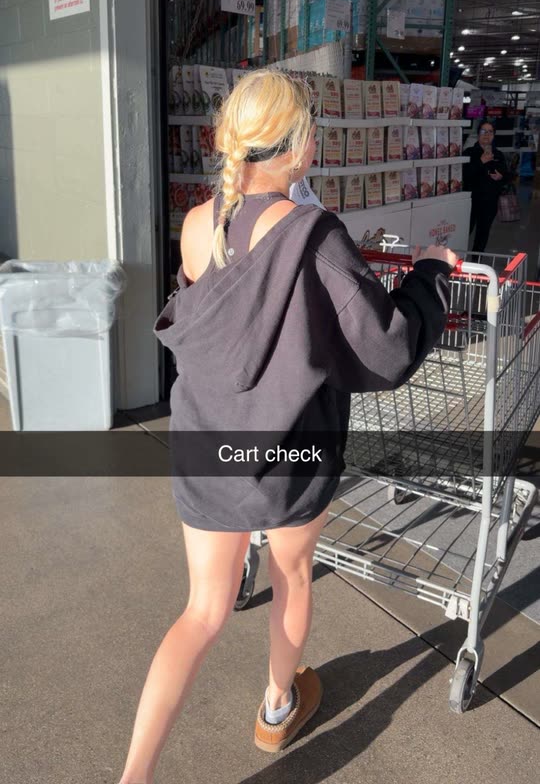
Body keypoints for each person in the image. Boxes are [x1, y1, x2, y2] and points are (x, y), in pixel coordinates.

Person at [118, 71, 456, 784]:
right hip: (288, 452)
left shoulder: (198, 222)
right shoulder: (314, 234)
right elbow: (387, 347)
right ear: (300, 146)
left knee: (201, 612)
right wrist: (428, 275)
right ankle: (277, 707)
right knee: (292, 575)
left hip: (206, 444)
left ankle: (134, 776)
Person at [463, 121, 509, 253]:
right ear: (478, 134)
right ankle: (457, 260)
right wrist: (481, 162)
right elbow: (465, 175)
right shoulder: (469, 153)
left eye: (490, 132)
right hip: (471, 201)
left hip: (489, 202)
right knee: (464, 232)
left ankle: (476, 261)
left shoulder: (498, 155)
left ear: (494, 135)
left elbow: (506, 176)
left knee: (482, 235)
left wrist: (501, 177)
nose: (487, 135)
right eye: (483, 131)